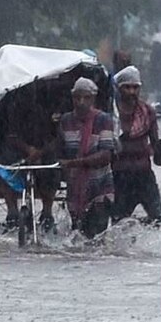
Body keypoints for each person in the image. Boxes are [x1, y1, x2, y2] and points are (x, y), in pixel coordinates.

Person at [51, 77, 116, 239]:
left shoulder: (103, 120)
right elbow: (59, 150)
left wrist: (73, 163)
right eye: (77, 97)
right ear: (72, 98)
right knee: (78, 236)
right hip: (75, 190)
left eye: (86, 97)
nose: (81, 102)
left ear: (93, 99)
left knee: (96, 238)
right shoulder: (66, 121)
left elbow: (106, 156)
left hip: (100, 188)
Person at [0, 86, 60, 231]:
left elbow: (57, 137)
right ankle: (12, 210)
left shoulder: (52, 105)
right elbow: (9, 135)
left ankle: (47, 211)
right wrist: (28, 149)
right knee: (5, 167)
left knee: (54, 167)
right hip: (17, 149)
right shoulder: (12, 105)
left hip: (44, 150)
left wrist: (40, 152)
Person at [111, 66, 161, 225]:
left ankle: (134, 227)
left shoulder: (147, 112)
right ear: (119, 88)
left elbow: (155, 146)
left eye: (135, 87)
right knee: (118, 221)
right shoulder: (112, 114)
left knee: (158, 219)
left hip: (144, 174)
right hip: (120, 175)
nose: (131, 91)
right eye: (127, 87)